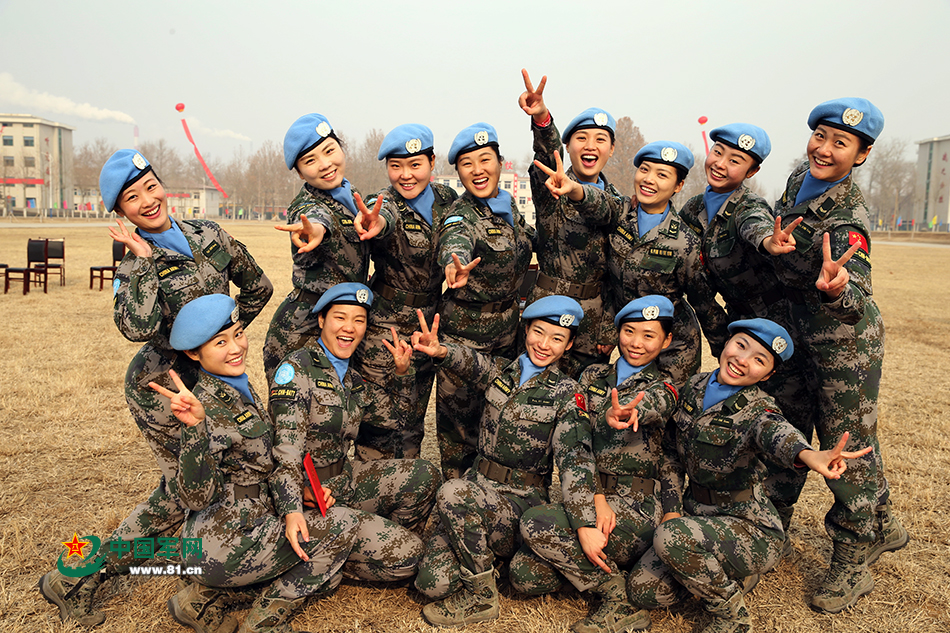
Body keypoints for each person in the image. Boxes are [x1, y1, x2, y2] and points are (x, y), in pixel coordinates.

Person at [38, 149, 273, 628]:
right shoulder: (132, 266)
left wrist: (224, 343)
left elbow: (259, 287)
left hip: (213, 379)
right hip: (161, 386)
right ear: (121, 212)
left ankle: (207, 563)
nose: (147, 201)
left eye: (150, 186)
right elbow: (137, 327)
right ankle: (77, 575)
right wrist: (145, 262)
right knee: (186, 488)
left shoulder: (209, 234)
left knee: (223, 476)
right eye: (132, 198)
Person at [627, 319, 873, 632]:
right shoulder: (694, 387)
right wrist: (672, 509)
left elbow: (777, 433)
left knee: (670, 538)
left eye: (759, 360)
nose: (742, 361)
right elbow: (671, 455)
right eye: (740, 346)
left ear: (768, 375)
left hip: (748, 528)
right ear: (726, 344)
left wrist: (807, 454)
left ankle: (731, 616)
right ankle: (727, 573)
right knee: (644, 590)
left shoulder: (759, 409)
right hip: (694, 516)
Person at [767, 98, 907, 613]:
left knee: (845, 446)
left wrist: (838, 289)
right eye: (820, 136)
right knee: (792, 425)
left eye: (840, 143)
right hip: (798, 336)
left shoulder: (849, 218)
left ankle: (853, 556)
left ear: (862, 155)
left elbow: (859, 295)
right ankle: (882, 521)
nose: (824, 149)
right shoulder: (798, 181)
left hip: (845, 346)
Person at [153, 294, 363, 633]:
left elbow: (257, 464)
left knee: (329, 574)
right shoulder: (206, 406)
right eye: (220, 342)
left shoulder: (235, 386)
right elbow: (195, 497)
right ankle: (263, 621)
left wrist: (299, 496)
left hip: (242, 524)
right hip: (224, 541)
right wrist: (194, 431)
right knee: (342, 526)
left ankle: (203, 596)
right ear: (194, 353)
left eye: (238, 334)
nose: (236, 348)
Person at [412, 296, 596, 627]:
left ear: (568, 345)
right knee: (432, 583)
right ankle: (489, 562)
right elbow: (471, 362)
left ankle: (481, 597)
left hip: (518, 503)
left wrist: (584, 523)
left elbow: (575, 461)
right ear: (526, 330)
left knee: (453, 492)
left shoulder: (568, 394)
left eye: (557, 338)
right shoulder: (502, 372)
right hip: (477, 491)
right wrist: (441, 351)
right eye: (538, 332)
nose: (544, 345)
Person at [677, 123, 818, 548]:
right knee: (737, 418)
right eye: (718, 152)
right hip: (739, 325)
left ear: (752, 172)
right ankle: (731, 504)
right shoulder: (694, 209)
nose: (721, 163)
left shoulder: (748, 207)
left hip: (778, 330)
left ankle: (776, 518)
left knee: (784, 418)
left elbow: (756, 228)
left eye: (735, 160)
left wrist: (769, 243)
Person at [510, 296, 679, 633]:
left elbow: (657, 423)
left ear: (666, 341)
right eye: (629, 332)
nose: (636, 343)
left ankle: (619, 599)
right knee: (523, 574)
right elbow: (576, 440)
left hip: (635, 507)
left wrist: (626, 412)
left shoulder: (666, 388)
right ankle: (614, 566)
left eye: (649, 335)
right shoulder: (592, 375)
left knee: (536, 524)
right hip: (589, 497)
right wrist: (595, 497)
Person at [268, 283, 442, 596]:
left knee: (424, 474)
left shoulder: (352, 378)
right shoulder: (297, 369)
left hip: (343, 482)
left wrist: (402, 373)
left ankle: (369, 541)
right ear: (321, 320)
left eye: (359, 320)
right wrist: (293, 504)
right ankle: (326, 558)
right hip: (312, 498)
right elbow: (286, 450)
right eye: (340, 317)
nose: (349, 328)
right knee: (411, 556)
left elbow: (394, 419)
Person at [534, 143, 727, 390]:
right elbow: (600, 203)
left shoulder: (685, 242)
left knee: (667, 404)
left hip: (674, 345)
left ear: (678, 186)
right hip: (631, 338)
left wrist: (725, 351)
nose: (649, 179)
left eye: (662, 175)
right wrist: (575, 189)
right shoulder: (621, 213)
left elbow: (704, 304)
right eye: (644, 170)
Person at [435, 122, 535, 479]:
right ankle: (455, 495)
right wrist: (454, 264)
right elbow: (454, 239)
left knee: (499, 421)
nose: (477, 170)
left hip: (507, 335)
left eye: (485, 160)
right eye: (467, 164)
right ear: (458, 172)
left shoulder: (509, 209)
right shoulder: (461, 214)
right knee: (460, 433)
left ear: (500, 163)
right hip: (466, 335)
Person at [352, 123, 458, 461]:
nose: (405, 175)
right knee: (378, 419)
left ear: (432, 161)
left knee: (412, 415)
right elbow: (381, 217)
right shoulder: (384, 202)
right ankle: (367, 482)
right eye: (396, 166)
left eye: (415, 165)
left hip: (427, 326)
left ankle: (407, 484)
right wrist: (376, 223)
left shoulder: (448, 200)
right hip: (385, 326)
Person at [262, 113, 392, 384]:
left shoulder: (351, 196)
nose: (325, 164)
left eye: (330, 151)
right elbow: (315, 218)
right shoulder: (307, 204)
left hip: (345, 322)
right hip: (305, 327)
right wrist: (316, 229)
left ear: (342, 149)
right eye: (310, 161)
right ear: (300, 173)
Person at [518, 69, 621, 377]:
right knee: (535, 390)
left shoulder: (618, 203)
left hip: (592, 322)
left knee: (585, 396)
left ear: (611, 149)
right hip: (546, 311)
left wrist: (609, 326)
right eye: (581, 138)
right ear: (568, 145)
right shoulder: (551, 186)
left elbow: (618, 273)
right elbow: (546, 155)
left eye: (600, 139)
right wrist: (542, 119)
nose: (590, 146)